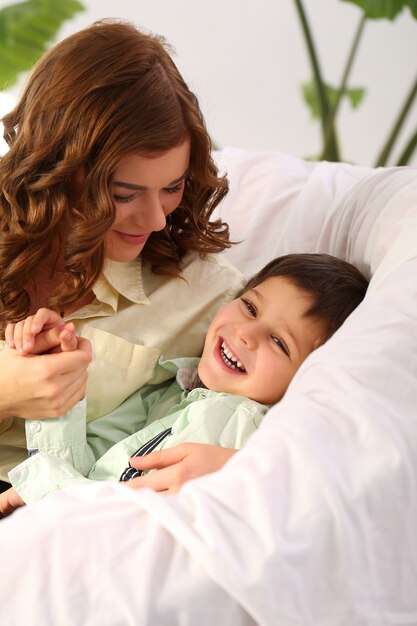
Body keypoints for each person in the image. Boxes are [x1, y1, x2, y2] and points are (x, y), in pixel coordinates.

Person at [0, 19, 245, 488]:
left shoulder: (207, 296)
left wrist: (236, 467)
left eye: (171, 188)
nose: (155, 219)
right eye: (124, 194)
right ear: (55, 169)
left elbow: (284, 424)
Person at [0, 253, 368, 515]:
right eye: (251, 307)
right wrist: (54, 374)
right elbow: (85, 470)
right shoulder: (174, 385)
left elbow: (124, 516)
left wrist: (44, 488)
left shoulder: (230, 423)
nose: (246, 333)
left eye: (279, 342)